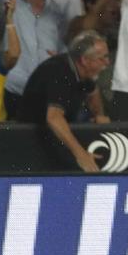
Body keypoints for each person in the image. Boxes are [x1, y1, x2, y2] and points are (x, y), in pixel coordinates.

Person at [18, 31, 113, 172]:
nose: (107, 62)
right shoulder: (59, 73)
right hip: (30, 140)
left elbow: (93, 92)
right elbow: (54, 118)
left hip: (54, 136)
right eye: (102, 58)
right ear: (85, 60)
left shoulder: (82, 71)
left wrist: (99, 114)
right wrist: (81, 156)